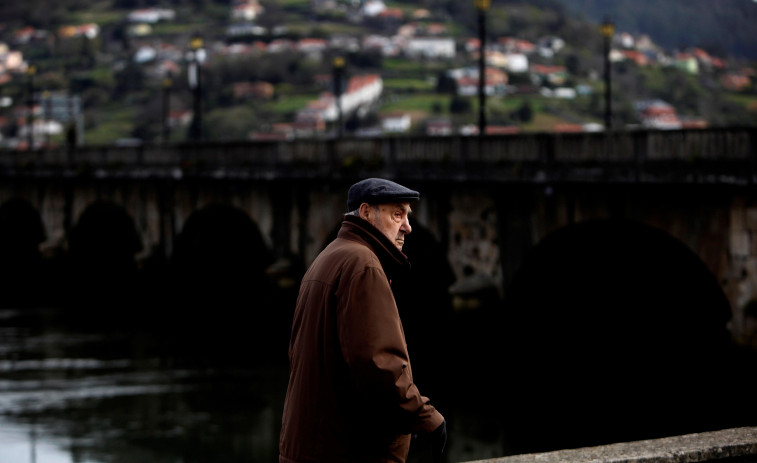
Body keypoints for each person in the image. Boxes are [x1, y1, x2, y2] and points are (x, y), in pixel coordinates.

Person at [279, 178, 447, 463]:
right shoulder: (363, 264)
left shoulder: (329, 256)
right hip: (346, 450)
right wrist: (427, 418)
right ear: (366, 212)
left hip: (312, 446)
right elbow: (377, 362)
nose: (407, 225)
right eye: (397, 214)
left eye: (408, 215)